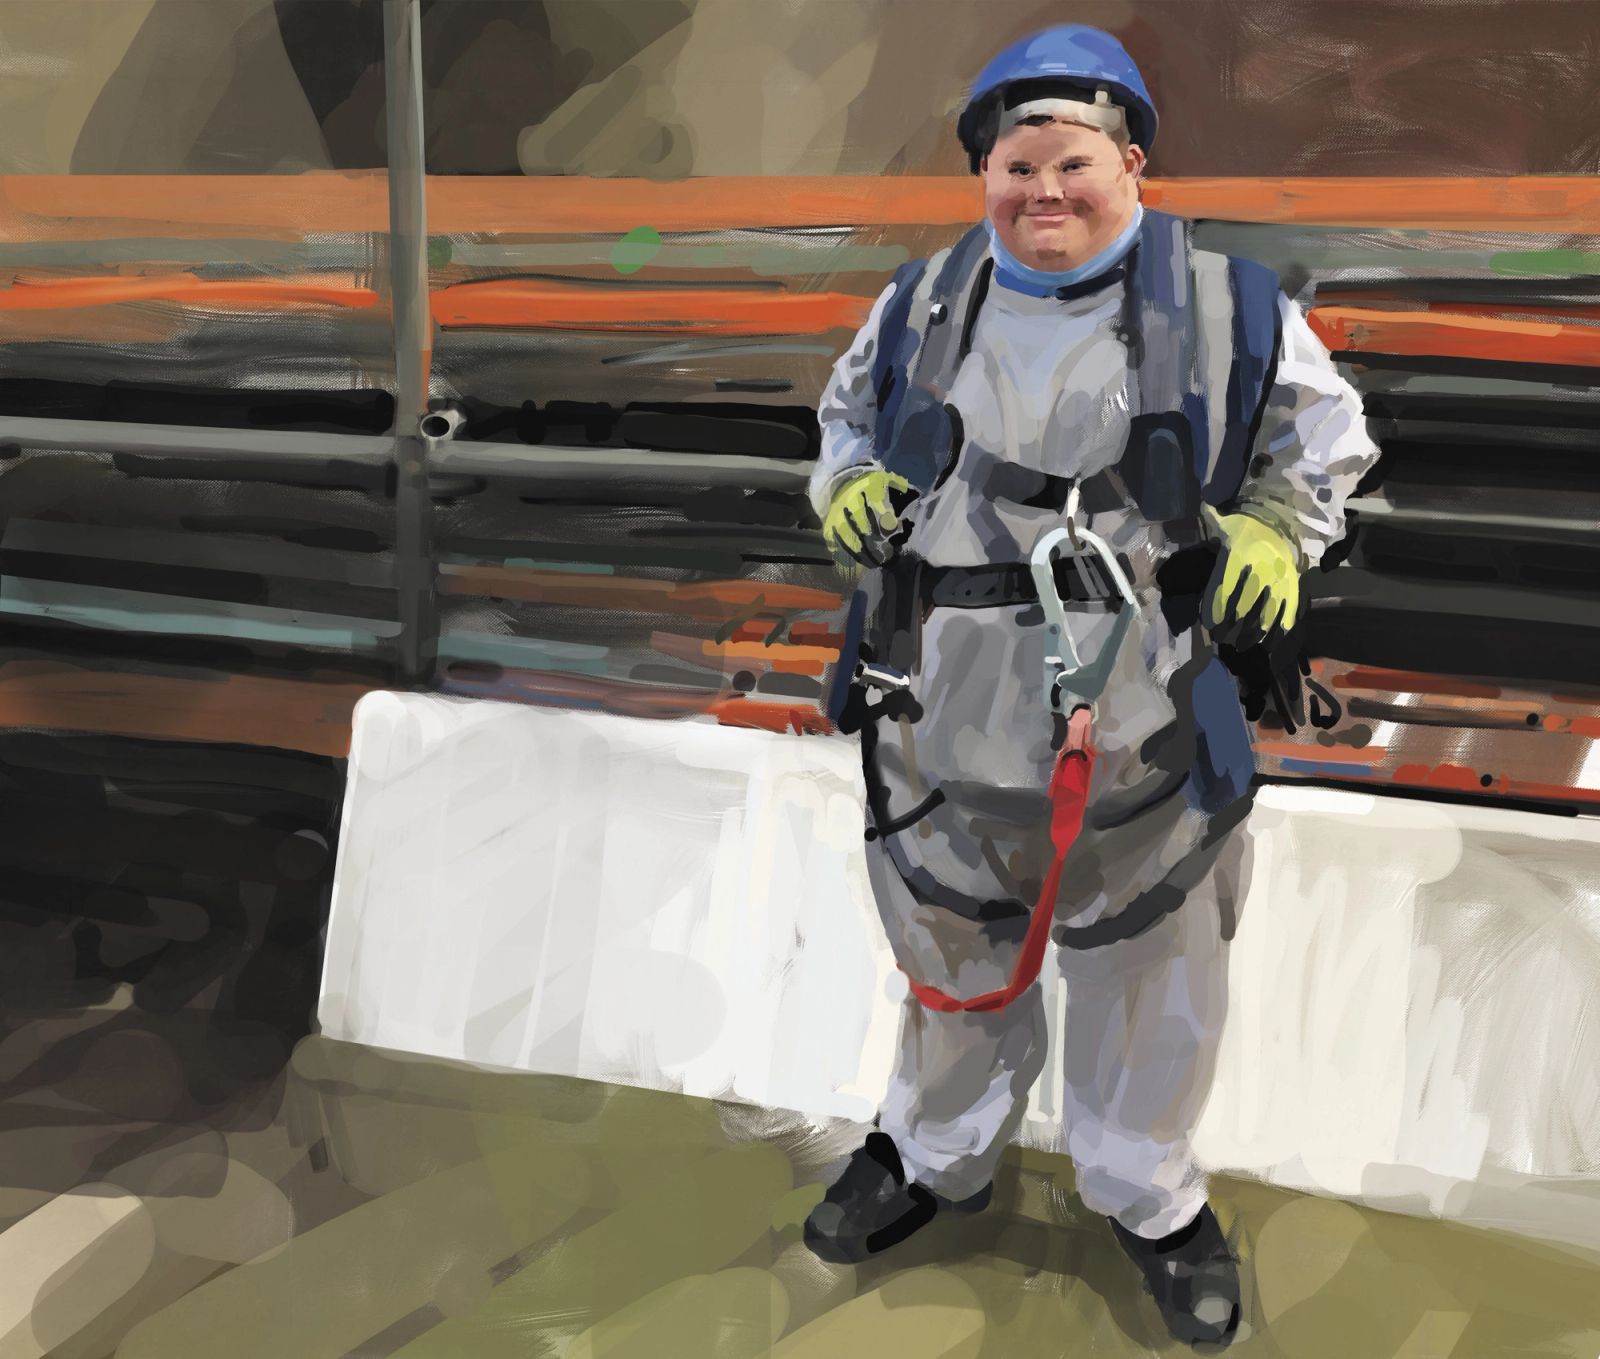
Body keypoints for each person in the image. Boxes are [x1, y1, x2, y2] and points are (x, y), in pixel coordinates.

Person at [801, 24, 1380, 1349]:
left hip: (1146, 715)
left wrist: (1275, 531)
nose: (1043, 191)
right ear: (984, 175)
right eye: (1017, 167)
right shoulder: (918, 305)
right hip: (941, 711)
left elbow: (1324, 442)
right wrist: (849, 490)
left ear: (1130, 165)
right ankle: (934, 1153)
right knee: (950, 953)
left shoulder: (1235, 309)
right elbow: (841, 427)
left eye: (1072, 163)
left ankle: (1150, 1198)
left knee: (1153, 972)